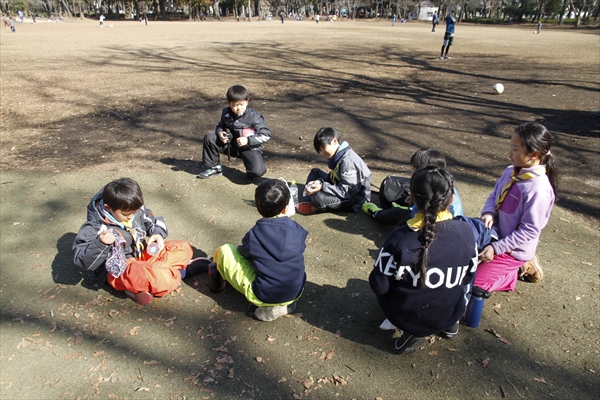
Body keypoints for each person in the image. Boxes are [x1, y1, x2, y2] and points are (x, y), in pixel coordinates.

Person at [369, 166, 478, 353]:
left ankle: (413, 332)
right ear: (452, 198)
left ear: (411, 197)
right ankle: (448, 325)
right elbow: (468, 277)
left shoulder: (400, 238)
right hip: (453, 310)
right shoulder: (466, 232)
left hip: (409, 317)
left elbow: (379, 285)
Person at [73, 178, 209, 305]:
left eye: (134, 212)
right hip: (120, 269)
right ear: (108, 208)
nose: (131, 217)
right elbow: (82, 261)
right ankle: (184, 272)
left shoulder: (133, 208)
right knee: (160, 280)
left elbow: (154, 221)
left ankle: (152, 277)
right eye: (126, 215)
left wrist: (157, 234)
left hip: (142, 255)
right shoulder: (94, 227)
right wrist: (101, 244)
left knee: (183, 247)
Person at [209, 179, 308, 321]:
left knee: (225, 250)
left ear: (258, 207)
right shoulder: (298, 230)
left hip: (263, 295)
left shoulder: (255, 234)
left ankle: (269, 307)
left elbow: (244, 253)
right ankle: (285, 304)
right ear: (286, 208)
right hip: (295, 291)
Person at [475, 122, 557, 291]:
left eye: (515, 149)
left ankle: (511, 274)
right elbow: (493, 196)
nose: (509, 153)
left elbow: (530, 230)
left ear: (534, 154)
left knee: (472, 284)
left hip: (511, 250)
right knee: (459, 266)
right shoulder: (510, 171)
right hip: (494, 235)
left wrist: (496, 248)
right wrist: (489, 212)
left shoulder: (539, 190)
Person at [362, 148, 463, 226]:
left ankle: (377, 213)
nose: (412, 172)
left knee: (396, 214)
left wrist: (412, 209)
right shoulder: (437, 184)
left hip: (428, 226)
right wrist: (413, 202)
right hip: (424, 216)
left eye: (414, 169)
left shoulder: (451, 203)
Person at [197, 85, 271, 181]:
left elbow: (266, 135)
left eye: (241, 104)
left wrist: (248, 140)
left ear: (247, 101)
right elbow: (220, 125)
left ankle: (252, 170)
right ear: (228, 103)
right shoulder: (226, 113)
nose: (239, 108)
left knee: (257, 172)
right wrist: (220, 133)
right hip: (231, 146)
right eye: (235, 105)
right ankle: (214, 168)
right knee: (210, 137)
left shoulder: (255, 117)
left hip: (249, 148)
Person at [296, 127, 372, 215]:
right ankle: (308, 199)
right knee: (315, 172)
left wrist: (323, 186)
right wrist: (320, 182)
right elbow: (334, 176)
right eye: (320, 150)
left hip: (354, 200)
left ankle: (314, 202)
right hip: (341, 186)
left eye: (323, 147)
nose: (323, 152)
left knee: (318, 197)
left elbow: (346, 191)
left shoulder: (348, 161)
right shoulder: (340, 154)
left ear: (334, 141)